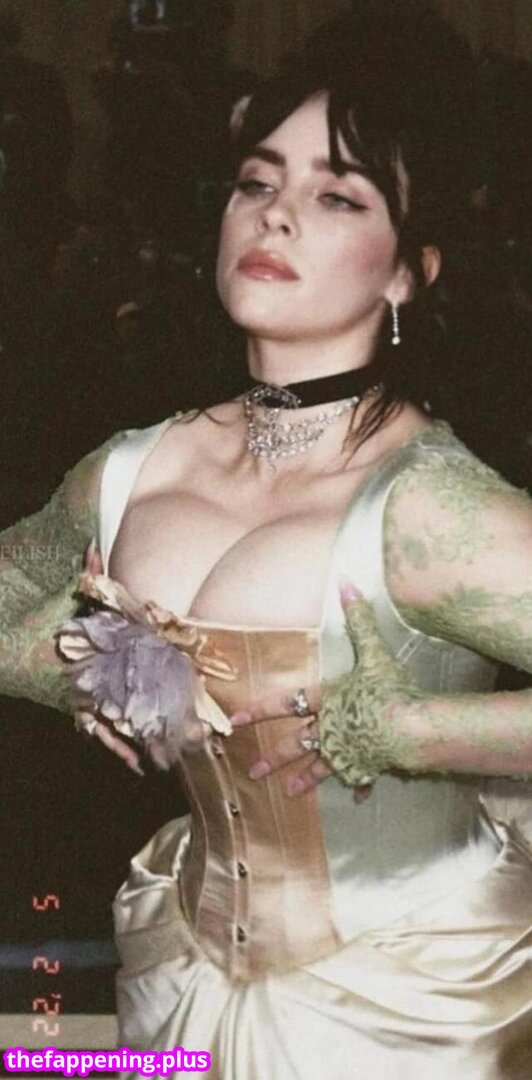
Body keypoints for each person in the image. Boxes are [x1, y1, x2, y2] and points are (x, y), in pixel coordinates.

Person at [1, 3, 532, 1077]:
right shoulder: (133, 469)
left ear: (407, 271)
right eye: (256, 182)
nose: (275, 216)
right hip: (183, 975)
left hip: (416, 1007)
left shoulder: (429, 508)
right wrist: (64, 662)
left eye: (338, 196)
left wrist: (419, 731)